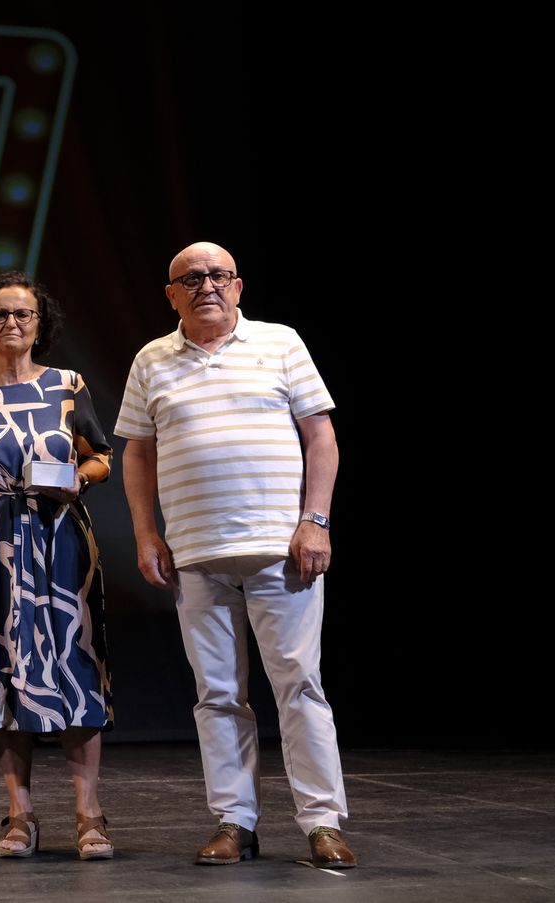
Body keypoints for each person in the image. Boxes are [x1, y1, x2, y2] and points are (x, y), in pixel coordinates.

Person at [114, 241, 354, 868]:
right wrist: (145, 533)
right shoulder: (152, 359)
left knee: (300, 685)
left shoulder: (280, 342)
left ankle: (323, 824)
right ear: (171, 294)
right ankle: (234, 821)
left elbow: (320, 436)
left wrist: (316, 521)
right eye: (190, 278)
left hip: (283, 549)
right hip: (196, 552)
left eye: (218, 275)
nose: (206, 286)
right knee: (216, 693)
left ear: (239, 286)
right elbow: (135, 454)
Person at [0, 272, 115, 860]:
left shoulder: (67, 385)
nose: (11, 323)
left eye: (23, 314)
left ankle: (89, 816)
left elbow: (102, 457)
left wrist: (76, 479)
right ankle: (20, 815)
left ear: (41, 324)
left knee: (73, 665)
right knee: (0, 668)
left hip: (59, 537)